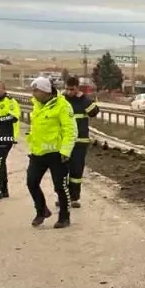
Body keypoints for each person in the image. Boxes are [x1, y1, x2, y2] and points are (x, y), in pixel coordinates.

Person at [25, 75, 77, 228]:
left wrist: (66, 151)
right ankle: (41, 210)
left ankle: (64, 217)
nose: (33, 94)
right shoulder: (37, 105)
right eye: (33, 90)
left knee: (60, 187)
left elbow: (70, 130)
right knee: (31, 182)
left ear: (46, 91)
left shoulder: (63, 106)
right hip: (38, 152)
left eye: (37, 91)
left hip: (57, 153)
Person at [63, 76, 99, 208]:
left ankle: (74, 198)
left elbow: (94, 112)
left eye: (72, 89)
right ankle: (63, 197)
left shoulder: (83, 101)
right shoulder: (61, 100)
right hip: (64, 142)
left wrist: (83, 98)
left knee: (76, 171)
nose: (69, 92)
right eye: (67, 89)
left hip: (80, 142)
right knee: (62, 171)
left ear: (77, 88)